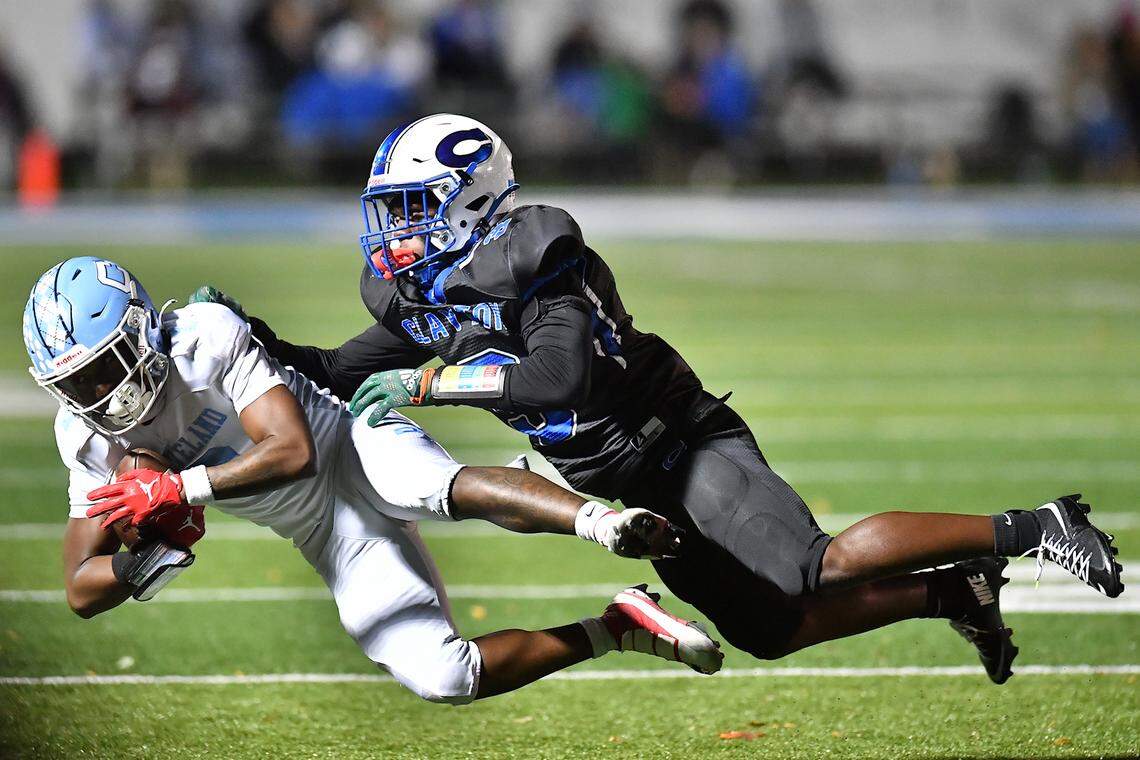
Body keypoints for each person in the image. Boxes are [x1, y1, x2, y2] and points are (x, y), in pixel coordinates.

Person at [195, 114, 1124, 685]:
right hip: (622, 481)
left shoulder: (538, 252)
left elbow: (563, 378)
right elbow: (340, 367)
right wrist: (253, 338)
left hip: (676, 441)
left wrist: (434, 382)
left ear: (467, 199)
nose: (393, 232)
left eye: (410, 207)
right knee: (769, 630)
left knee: (813, 566)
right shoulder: (418, 294)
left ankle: (1033, 525)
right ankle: (946, 594)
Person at [23, 256, 723, 705]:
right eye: (77, 381)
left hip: (348, 442)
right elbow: (81, 588)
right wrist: (147, 562)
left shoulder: (202, 336)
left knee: (428, 484)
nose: (102, 393)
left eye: (108, 364)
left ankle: (601, 522)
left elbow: (292, 449)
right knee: (445, 678)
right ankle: (617, 626)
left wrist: (182, 489)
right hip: (323, 532)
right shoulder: (84, 435)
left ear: (144, 328)